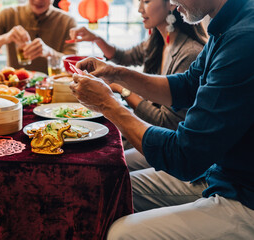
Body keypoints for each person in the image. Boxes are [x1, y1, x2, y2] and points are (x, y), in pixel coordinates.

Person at [70, 0, 254, 238]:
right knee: (107, 187)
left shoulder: (244, 39)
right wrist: (116, 72)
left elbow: (185, 155)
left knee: (122, 233)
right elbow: (186, 85)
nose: (171, 1)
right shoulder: (229, 22)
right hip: (220, 171)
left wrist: (108, 104)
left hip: (244, 193)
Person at [69, 0, 207, 171]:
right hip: (156, 136)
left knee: (102, 164)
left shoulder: (190, 53)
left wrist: (120, 90)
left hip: (170, 145)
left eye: (147, 1)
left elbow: (165, 123)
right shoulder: (157, 40)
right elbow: (123, 57)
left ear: (171, 4)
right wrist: (97, 39)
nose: (140, 9)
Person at [0, 0, 77, 73]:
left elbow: (75, 67)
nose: (38, 1)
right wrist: (4, 38)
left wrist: (50, 53)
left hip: (52, 90)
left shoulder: (67, 21)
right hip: (14, 89)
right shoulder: (8, 14)